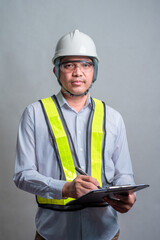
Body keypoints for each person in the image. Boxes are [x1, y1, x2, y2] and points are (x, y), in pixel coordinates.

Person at [13, 29, 136, 240]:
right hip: (52, 233)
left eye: (86, 65)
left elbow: (124, 173)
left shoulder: (113, 117)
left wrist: (127, 195)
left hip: (105, 233)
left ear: (94, 71)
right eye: (69, 65)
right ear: (56, 71)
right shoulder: (34, 114)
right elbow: (22, 175)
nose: (78, 72)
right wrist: (66, 188)